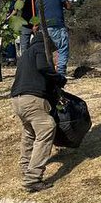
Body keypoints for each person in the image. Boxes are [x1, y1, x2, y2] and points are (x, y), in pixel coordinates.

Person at [10, 34, 65, 192]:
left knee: (29, 132)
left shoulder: (25, 54)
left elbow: (36, 74)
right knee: (47, 128)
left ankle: (25, 166)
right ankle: (33, 179)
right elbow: (43, 68)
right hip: (32, 99)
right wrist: (59, 79)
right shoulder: (40, 48)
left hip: (17, 100)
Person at [40, 0, 72, 78]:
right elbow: (68, 6)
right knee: (62, 47)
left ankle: (49, 71)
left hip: (44, 27)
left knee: (47, 50)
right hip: (57, 24)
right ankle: (61, 72)